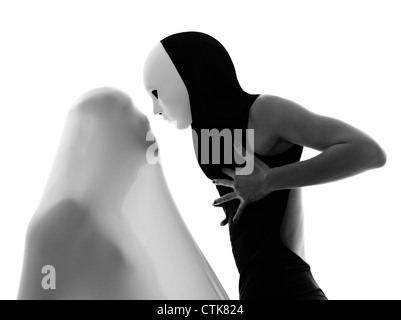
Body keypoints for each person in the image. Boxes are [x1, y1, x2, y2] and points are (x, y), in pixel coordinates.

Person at [143, 31, 387, 300]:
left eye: (157, 93)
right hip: (253, 286)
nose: (155, 108)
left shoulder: (265, 111)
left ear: (188, 77)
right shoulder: (202, 133)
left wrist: (269, 180)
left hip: (289, 285)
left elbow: (368, 152)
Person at [17, 87, 228, 300]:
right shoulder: (61, 222)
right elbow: (43, 291)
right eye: (125, 109)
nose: (143, 118)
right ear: (96, 135)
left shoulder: (117, 227)